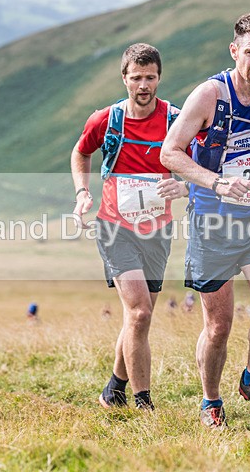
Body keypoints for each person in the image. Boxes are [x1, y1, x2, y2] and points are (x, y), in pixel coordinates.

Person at [161, 14, 250, 428]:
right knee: (218, 327)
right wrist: (216, 182)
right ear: (234, 51)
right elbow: (170, 152)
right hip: (212, 222)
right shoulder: (209, 95)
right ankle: (210, 399)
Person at [70, 43, 187, 411]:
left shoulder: (176, 120)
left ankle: (114, 390)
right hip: (114, 227)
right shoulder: (106, 120)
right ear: (124, 78)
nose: (143, 85)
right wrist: (82, 193)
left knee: (139, 318)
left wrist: (185, 186)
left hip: (158, 229)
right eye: (136, 78)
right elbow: (80, 152)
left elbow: (203, 162)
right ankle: (144, 403)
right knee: (139, 313)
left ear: (159, 77)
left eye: (150, 77)